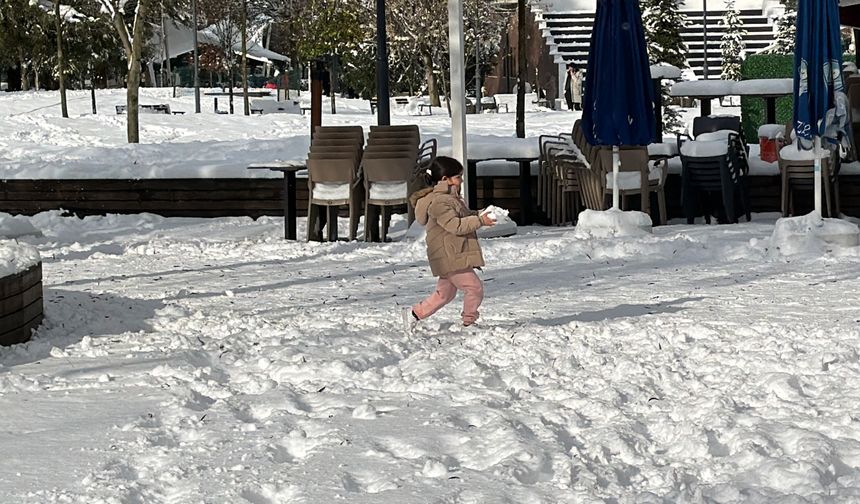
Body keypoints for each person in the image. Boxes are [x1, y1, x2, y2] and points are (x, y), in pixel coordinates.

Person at [403, 157, 495, 332]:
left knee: (445, 294)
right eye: (458, 176)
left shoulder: (450, 198)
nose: (461, 180)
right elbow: (455, 226)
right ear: (445, 179)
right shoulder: (439, 201)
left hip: (450, 253)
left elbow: (464, 216)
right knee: (474, 288)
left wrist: (480, 214)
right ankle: (468, 322)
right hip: (449, 254)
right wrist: (480, 221)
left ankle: (414, 313)